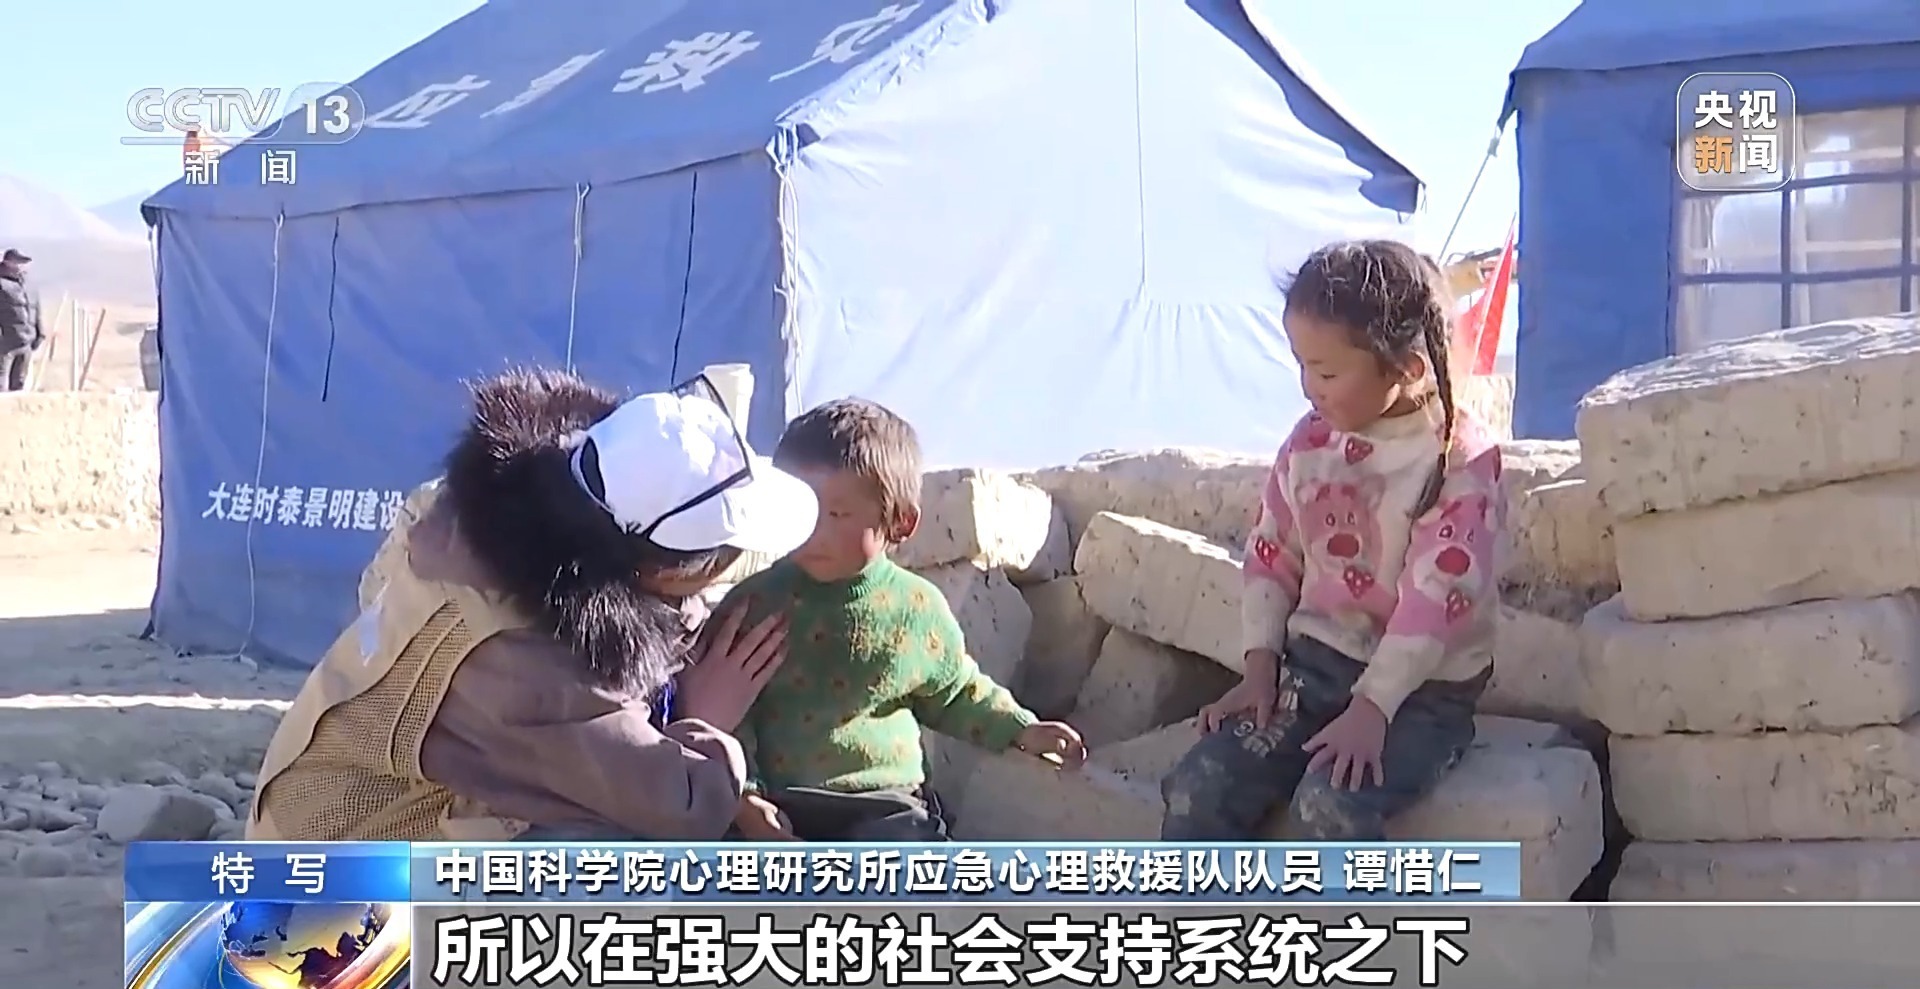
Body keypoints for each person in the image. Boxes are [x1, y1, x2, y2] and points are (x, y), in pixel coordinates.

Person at [246, 367, 820, 841]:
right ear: (667, 570)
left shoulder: (489, 514)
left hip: (340, 786)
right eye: (725, 557)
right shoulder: (524, 661)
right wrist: (704, 723)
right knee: (613, 850)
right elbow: (678, 806)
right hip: (339, 864)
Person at [1160, 240, 1504, 841]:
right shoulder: (1310, 443)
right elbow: (1272, 554)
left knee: (1329, 805)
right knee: (1200, 787)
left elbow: (1435, 601)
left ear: (1407, 369)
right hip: (1316, 669)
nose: (1307, 388)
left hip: (1421, 693)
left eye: (1325, 372)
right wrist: (1260, 668)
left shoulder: (1457, 463)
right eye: (1300, 365)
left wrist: (1372, 707)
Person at [723, 398, 1088, 842]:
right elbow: (729, 718)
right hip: (778, 805)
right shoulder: (753, 606)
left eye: (836, 514)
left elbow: (955, 692)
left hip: (885, 805)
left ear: (900, 521)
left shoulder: (916, 608)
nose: (813, 529)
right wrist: (746, 799)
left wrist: (1021, 728)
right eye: (799, 508)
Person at [0, 249, 44, 392]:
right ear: (7, 263)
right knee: (1, 385)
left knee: (19, 385)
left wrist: (40, 333)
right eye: (19, 262)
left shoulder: (29, 286)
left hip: (26, 342)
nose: (22, 266)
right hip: (5, 344)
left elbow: (36, 309)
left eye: (24, 263)